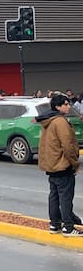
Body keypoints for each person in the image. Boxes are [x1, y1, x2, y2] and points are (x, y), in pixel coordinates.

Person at [38, 94, 82, 236]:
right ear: (57, 107)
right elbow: (68, 145)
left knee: (54, 196)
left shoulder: (48, 121)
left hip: (52, 165)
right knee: (65, 197)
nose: (69, 106)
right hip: (62, 165)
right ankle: (68, 227)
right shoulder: (60, 122)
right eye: (66, 104)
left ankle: (55, 224)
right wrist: (75, 163)